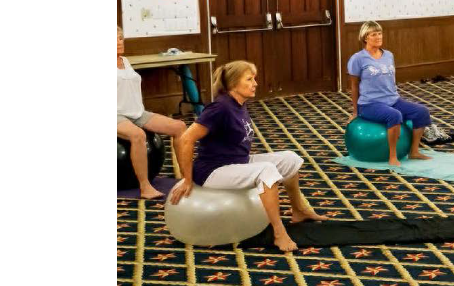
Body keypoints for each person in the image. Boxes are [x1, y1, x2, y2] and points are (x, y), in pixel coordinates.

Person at [168, 61, 326, 252]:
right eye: (249, 79)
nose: (255, 84)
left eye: (254, 79)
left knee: (290, 159)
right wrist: (187, 179)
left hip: (236, 162)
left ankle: (299, 210)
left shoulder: (238, 104)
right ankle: (279, 233)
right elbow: (186, 139)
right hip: (212, 171)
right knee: (267, 170)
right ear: (234, 83)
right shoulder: (220, 108)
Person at [348, 21, 434, 167]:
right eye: (373, 34)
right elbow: (354, 86)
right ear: (365, 37)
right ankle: (393, 156)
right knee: (394, 115)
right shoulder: (357, 58)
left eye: (380, 33)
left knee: (421, 112)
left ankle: (414, 151)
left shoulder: (388, 55)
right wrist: (356, 111)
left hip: (393, 100)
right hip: (370, 104)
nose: (378, 37)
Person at [117, 26, 186, 199]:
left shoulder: (125, 61)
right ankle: (145, 187)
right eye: (114, 39)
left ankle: (187, 178)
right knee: (138, 135)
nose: (119, 42)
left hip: (136, 112)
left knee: (179, 127)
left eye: (120, 38)